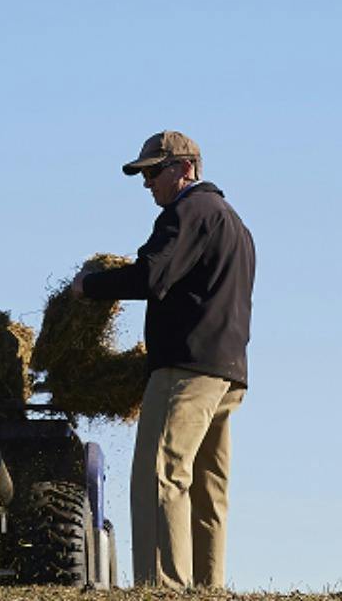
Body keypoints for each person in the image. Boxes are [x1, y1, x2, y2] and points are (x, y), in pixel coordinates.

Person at [69, 130, 256, 590]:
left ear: (186, 169)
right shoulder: (235, 224)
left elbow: (151, 276)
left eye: (154, 171)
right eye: (143, 174)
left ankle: (162, 587)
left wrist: (88, 286)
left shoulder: (187, 212)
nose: (147, 183)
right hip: (228, 374)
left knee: (160, 476)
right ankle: (208, 587)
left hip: (186, 370)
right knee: (208, 488)